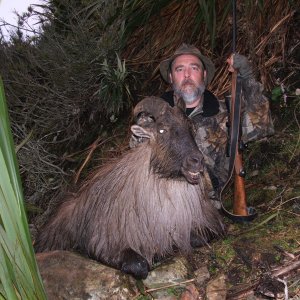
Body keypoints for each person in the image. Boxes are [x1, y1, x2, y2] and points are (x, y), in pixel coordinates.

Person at [132, 43, 274, 207]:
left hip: (210, 207)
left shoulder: (225, 113)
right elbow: (139, 162)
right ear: (171, 77)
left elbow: (262, 125)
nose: (187, 74)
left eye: (194, 68)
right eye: (179, 69)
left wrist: (248, 77)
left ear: (204, 75)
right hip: (164, 204)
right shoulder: (151, 119)